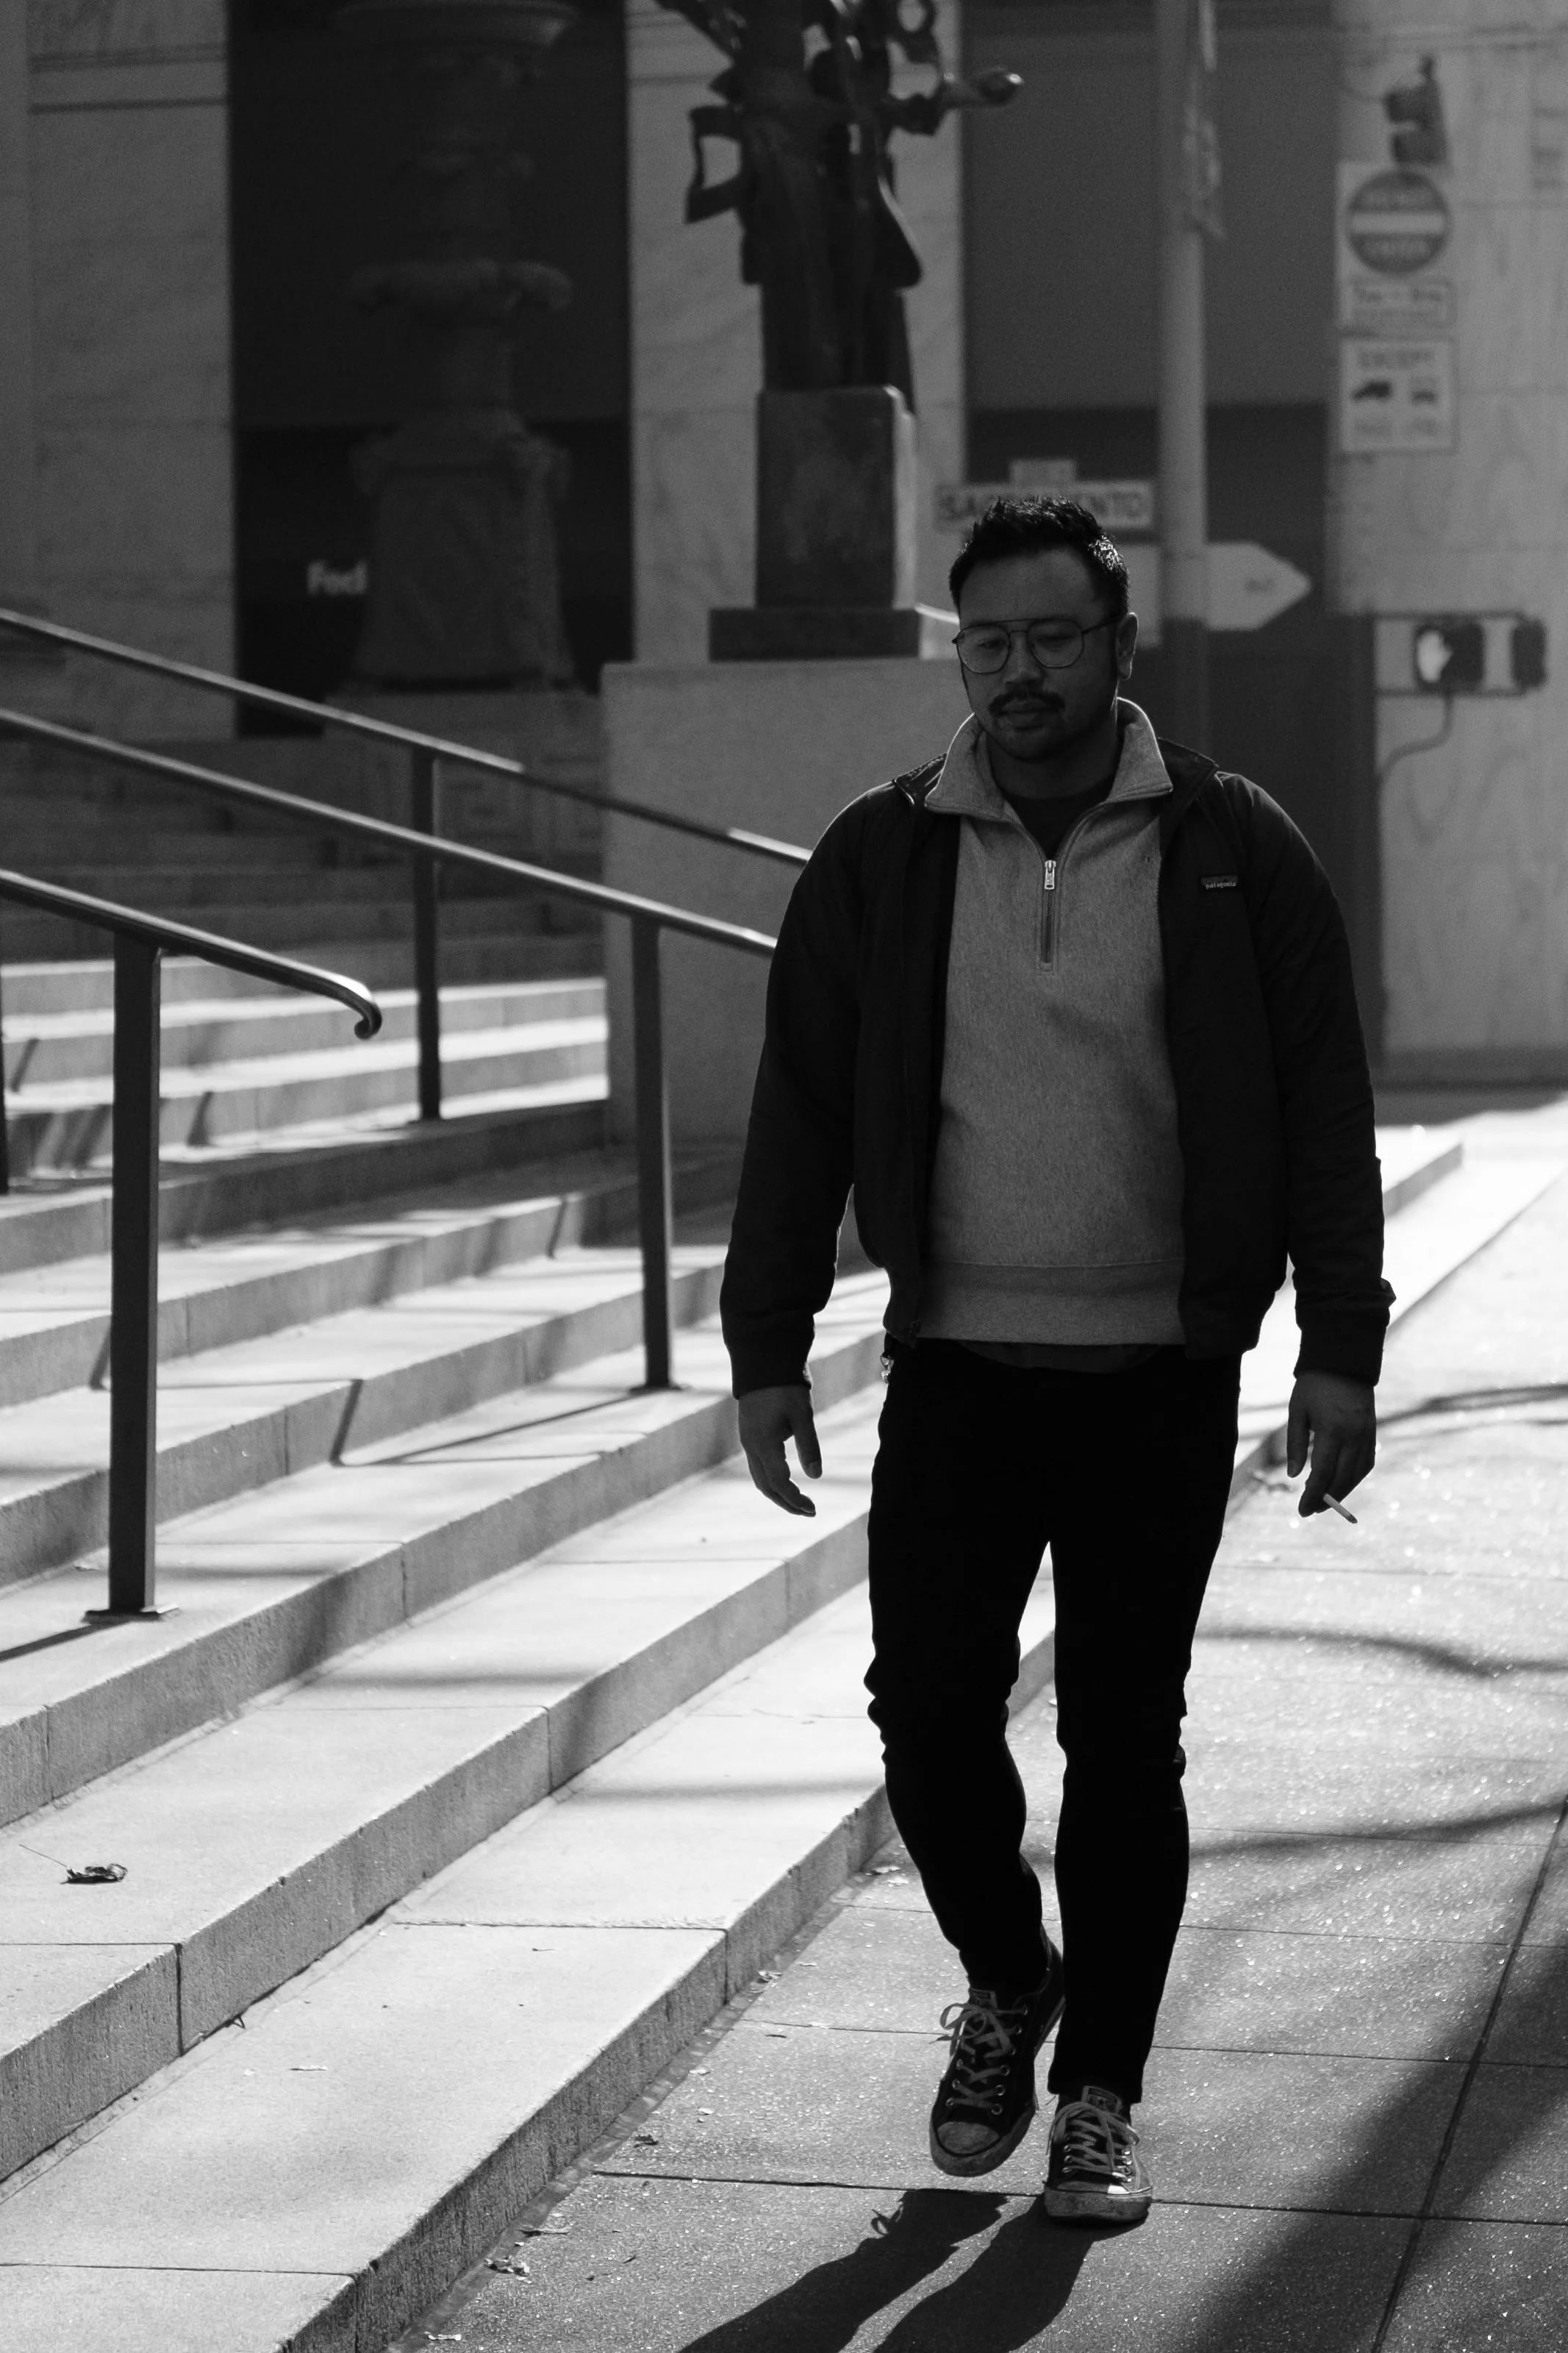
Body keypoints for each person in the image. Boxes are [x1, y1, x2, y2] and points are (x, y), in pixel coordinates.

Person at [719, 494, 1389, 2224]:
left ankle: (1100, 2093)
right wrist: (765, 1340)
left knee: (1122, 1739)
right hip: (956, 1363)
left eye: (1051, 640)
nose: (1018, 673)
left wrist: (1340, 1345)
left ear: (1116, 645)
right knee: (926, 1716)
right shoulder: (882, 854)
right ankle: (1011, 1977)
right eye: (989, 643)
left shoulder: (1232, 843)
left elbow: (1324, 1103)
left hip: (1158, 1372)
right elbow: (798, 1109)